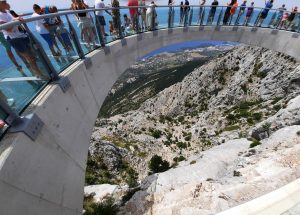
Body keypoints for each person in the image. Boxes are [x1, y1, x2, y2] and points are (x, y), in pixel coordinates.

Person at [0, 0, 45, 79]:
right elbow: (9, 30)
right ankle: (39, 75)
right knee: (29, 58)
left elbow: (14, 20)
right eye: (4, 2)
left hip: (22, 36)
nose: (6, 3)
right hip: (14, 39)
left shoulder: (7, 12)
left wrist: (16, 19)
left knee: (33, 56)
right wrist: (15, 20)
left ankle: (40, 73)